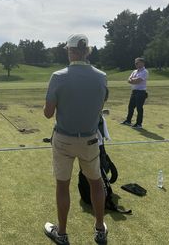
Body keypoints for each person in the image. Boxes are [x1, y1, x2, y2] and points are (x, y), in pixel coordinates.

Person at [43, 34, 108, 245]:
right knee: (96, 183)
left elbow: (48, 113)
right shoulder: (101, 76)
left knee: (63, 186)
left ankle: (62, 234)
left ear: (71, 51)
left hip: (63, 139)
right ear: (87, 51)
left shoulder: (58, 76)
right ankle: (100, 229)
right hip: (90, 140)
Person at [120, 57, 149, 129]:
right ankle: (128, 121)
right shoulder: (134, 71)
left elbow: (137, 81)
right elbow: (129, 80)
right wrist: (132, 80)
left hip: (141, 92)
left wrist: (132, 80)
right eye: (135, 63)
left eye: (137, 63)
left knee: (139, 108)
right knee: (130, 107)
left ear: (142, 63)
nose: (136, 64)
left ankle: (139, 124)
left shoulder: (145, 72)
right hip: (134, 91)